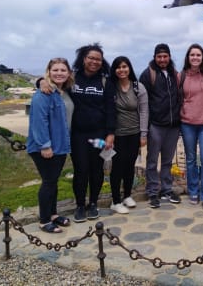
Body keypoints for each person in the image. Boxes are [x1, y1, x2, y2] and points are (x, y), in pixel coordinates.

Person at [68, 43, 116, 223]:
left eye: (98, 59)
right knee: (81, 169)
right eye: (91, 58)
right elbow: (52, 82)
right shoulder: (72, 78)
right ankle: (80, 205)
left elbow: (111, 109)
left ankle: (93, 203)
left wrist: (110, 134)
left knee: (97, 169)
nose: (94, 62)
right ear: (83, 58)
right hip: (78, 135)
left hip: (99, 135)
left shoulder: (105, 81)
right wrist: (40, 82)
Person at [27, 58, 74, 233]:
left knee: (53, 181)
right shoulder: (43, 94)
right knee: (48, 182)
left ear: (68, 73)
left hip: (61, 145)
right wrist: (45, 146)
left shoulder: (63, 92)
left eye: (63, 70)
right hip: (46, 147)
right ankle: (44, 220)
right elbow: (39, 122)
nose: (59, 73)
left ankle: (53, 214)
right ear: (48, 71)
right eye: (56, 70)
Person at [139, 44, 182, 208]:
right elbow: (142, 102)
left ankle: (166, 190)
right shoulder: (148, 74)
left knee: (167, 161)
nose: (162, 59)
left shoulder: (174, 74)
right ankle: (152, 192)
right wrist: (146, 126)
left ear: (169, 56)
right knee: (151, 160)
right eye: (159, 56)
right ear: (155, 57)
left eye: (165, 56)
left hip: (173, 125)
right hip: (156, 124)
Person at [179, 43, 203, 211]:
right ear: (188, 57)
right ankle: (193, 191)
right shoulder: (181, 76)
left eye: (198, 55)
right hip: (187, 122)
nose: (195, 57)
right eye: (192, 55)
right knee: (191, 159)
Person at [108, 56, 148, 214]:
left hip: (134, 133)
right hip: (116, 135)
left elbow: (145, 111)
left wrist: (143, 134)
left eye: (124, 66)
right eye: (118, 67)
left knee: (130, 166)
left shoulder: (138, 87)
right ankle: (115, 200)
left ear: (129, 68)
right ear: (114, 70)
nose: (122, 70)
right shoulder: (110, 86)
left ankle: (127, 196)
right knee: (117, 167)